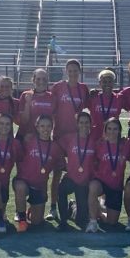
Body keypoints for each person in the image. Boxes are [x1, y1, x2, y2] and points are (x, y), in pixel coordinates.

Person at [48, 59, 90, 221]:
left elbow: (85, 111)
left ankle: (80, 203)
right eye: (70, 70)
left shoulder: (83, 88)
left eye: (75, 70)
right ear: (66, 71)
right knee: (57, 172)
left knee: (78, 170)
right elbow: (52, 110)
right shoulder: (58, 87)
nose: (73, 73)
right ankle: (53, 207)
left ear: (79, 72)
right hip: (60, 136)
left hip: (76, 139)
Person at [12, 114, 64, 232]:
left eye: (48, 126)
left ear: (52, 127)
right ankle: (22, 220)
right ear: (37, 127)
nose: (45, 129)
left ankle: (31, 210)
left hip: (39, 186)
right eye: (42, 126)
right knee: (20, 187)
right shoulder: (28, 140)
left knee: (37, 222)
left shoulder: (55, 148)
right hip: (23, 181)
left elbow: (59, 169)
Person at [87, 117, 129, 232]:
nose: (112, 132)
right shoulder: (99, 144)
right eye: (109, 129)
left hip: (116, 186)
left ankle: (98, 210)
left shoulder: (126, 144)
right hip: (101, 182)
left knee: (111, 222)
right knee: (93, 187)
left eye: (115, 129)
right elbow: (92, 161)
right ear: (105, 131)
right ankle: (93, 222)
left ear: (120, 130)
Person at [57, 111, 96, 230]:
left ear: (90, 124)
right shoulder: (69, 138)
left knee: (81, 221)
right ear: (77, 124)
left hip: (85, 182)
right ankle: (63, 220)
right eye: (81, 122)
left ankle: (73, 207)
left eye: (86, 122)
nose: (84, 125)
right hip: (71, 178)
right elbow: (56, 147)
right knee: (61, 189)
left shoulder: (94, 140)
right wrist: (63, 164)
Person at [18, 68, 54, 140]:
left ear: (47, 80)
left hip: (44, 137)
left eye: (44, 79)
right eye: (38, 79)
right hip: (26, 137)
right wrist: (28, 103)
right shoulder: (26, 95)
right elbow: (23, 121)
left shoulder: (52, 97)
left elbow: (54, 120)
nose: (41, 81)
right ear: (33, 80)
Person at [87, 68, 122, 141]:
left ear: (113, 83)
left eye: (110, 81)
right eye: (104, 82)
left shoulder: (119, 98)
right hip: (95, 136)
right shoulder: (93, 97)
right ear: (100, 83)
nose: (107, 84)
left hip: (112, 136)